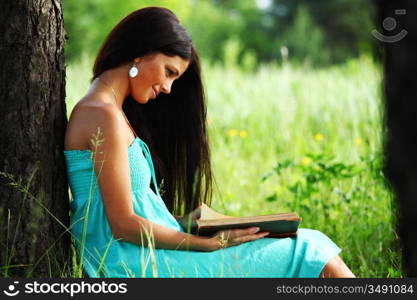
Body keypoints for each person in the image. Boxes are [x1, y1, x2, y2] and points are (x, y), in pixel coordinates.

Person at [63, 6, 355, 278]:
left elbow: (122, 207)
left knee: (311, 243)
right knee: (309, 253)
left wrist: (184, 222)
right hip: (131, 262)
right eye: (169, 72)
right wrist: (205, 244)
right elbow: (122, 225)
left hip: (146, 250)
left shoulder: (110, 112)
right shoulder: (101, 115)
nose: (167, 87)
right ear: (141, 53)